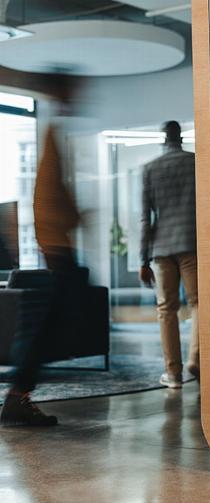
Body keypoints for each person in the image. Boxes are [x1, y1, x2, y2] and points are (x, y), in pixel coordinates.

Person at [1, 73, 84, 426]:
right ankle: (17, 397)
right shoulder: (51, 134)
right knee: (51, 325)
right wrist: (68, 223)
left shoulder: (54, 133)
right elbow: (47, 197)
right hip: (56, 244)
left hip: (56, 242)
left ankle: (18, 395)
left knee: (54, 322)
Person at [140, 121, 198, 389]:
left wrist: (143, 258)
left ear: (163, 138)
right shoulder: (196, 163)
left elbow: (145, 218)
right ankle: (196, 360)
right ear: (181, 137)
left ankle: (173, 374)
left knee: (166, 310)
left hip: (161, 249)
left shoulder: (150, 169)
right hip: (192, 243)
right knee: (198, 304)